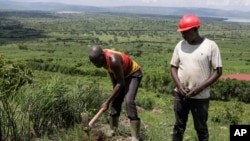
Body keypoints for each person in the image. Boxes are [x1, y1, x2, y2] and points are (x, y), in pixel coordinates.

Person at [170, 14, 223, 141]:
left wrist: (199, 88)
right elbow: (173, 67)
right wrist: (179, 85)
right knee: (178, 126)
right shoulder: (180, 45)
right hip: (180, 94)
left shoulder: (210, 46)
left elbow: (218, 71)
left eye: (186, 32)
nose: (183, 36)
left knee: (201, 129)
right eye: (182, 33)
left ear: (195, 29)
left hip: (200, 97)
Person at [88, 45, 143, 141]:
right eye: (93, 63)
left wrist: (107, 102)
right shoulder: (102, 60)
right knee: (116, 98)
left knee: (129, 101)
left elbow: (121, 83)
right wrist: (114, 89)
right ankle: (113, 131)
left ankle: (135, 136)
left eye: (96, 61)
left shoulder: (113, 59)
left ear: (101, 55)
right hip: (121, 75)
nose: (96, 65)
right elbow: (111, 72)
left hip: (133, 74)